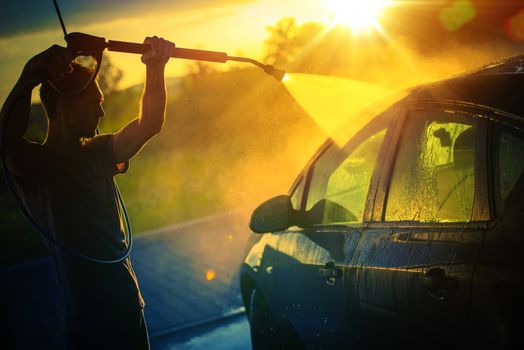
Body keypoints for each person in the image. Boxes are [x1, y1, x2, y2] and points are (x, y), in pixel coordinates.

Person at [0, 36, 175, 349]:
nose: (101, 112)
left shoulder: (100, 151)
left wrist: (155, 66)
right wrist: (30, 72)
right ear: (66, 107)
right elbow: (7, 139)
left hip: (129, 309)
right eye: (94, 103)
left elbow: (150, 123)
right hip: (86, 327)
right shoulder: (33, 166)